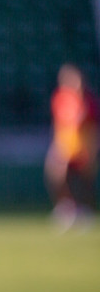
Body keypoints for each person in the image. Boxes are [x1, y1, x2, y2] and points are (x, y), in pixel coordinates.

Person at [46, 63, 99, 230]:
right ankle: (66, 209)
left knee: (85, 182)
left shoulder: (89, 101)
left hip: (84, 148)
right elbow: (59, 124)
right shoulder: (60, 99)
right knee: (56, 176)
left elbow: (94, 127)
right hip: (65, 146)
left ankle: (86, 211)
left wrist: (93, 149)